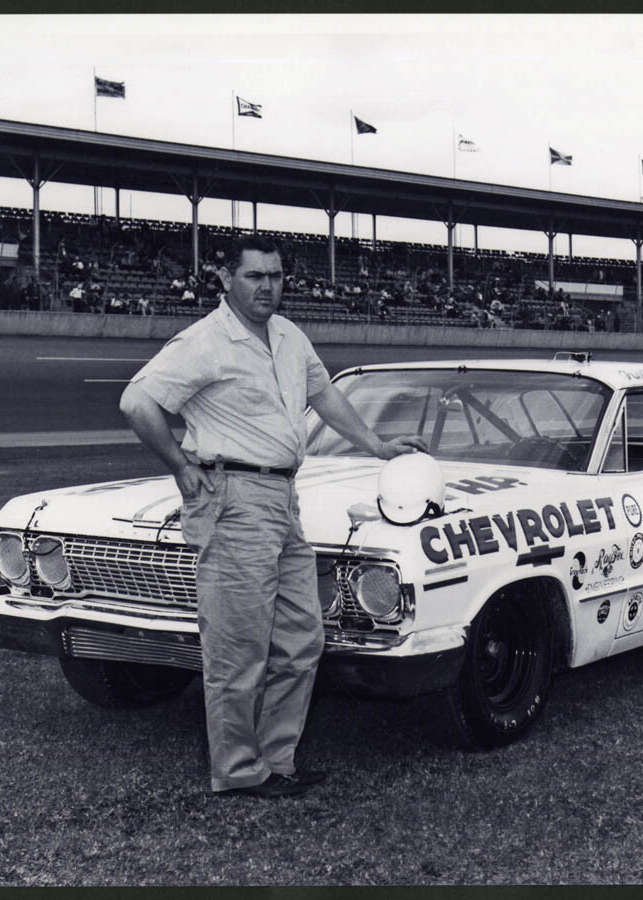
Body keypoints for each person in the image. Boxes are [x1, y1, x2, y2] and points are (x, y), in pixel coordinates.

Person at [120, 235, 424, 799]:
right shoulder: (207, 341)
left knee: (302, 639)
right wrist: (181, 468)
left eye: (276, 276)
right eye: (255, 275)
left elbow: (324, 395)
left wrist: (377, 445)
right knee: (238, 646)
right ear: (226, 279)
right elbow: (138, 403)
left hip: (284, 498)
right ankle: (237, 771)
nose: (267, 286)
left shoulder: (287, 336)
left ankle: (277, 760)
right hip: (232, 497)